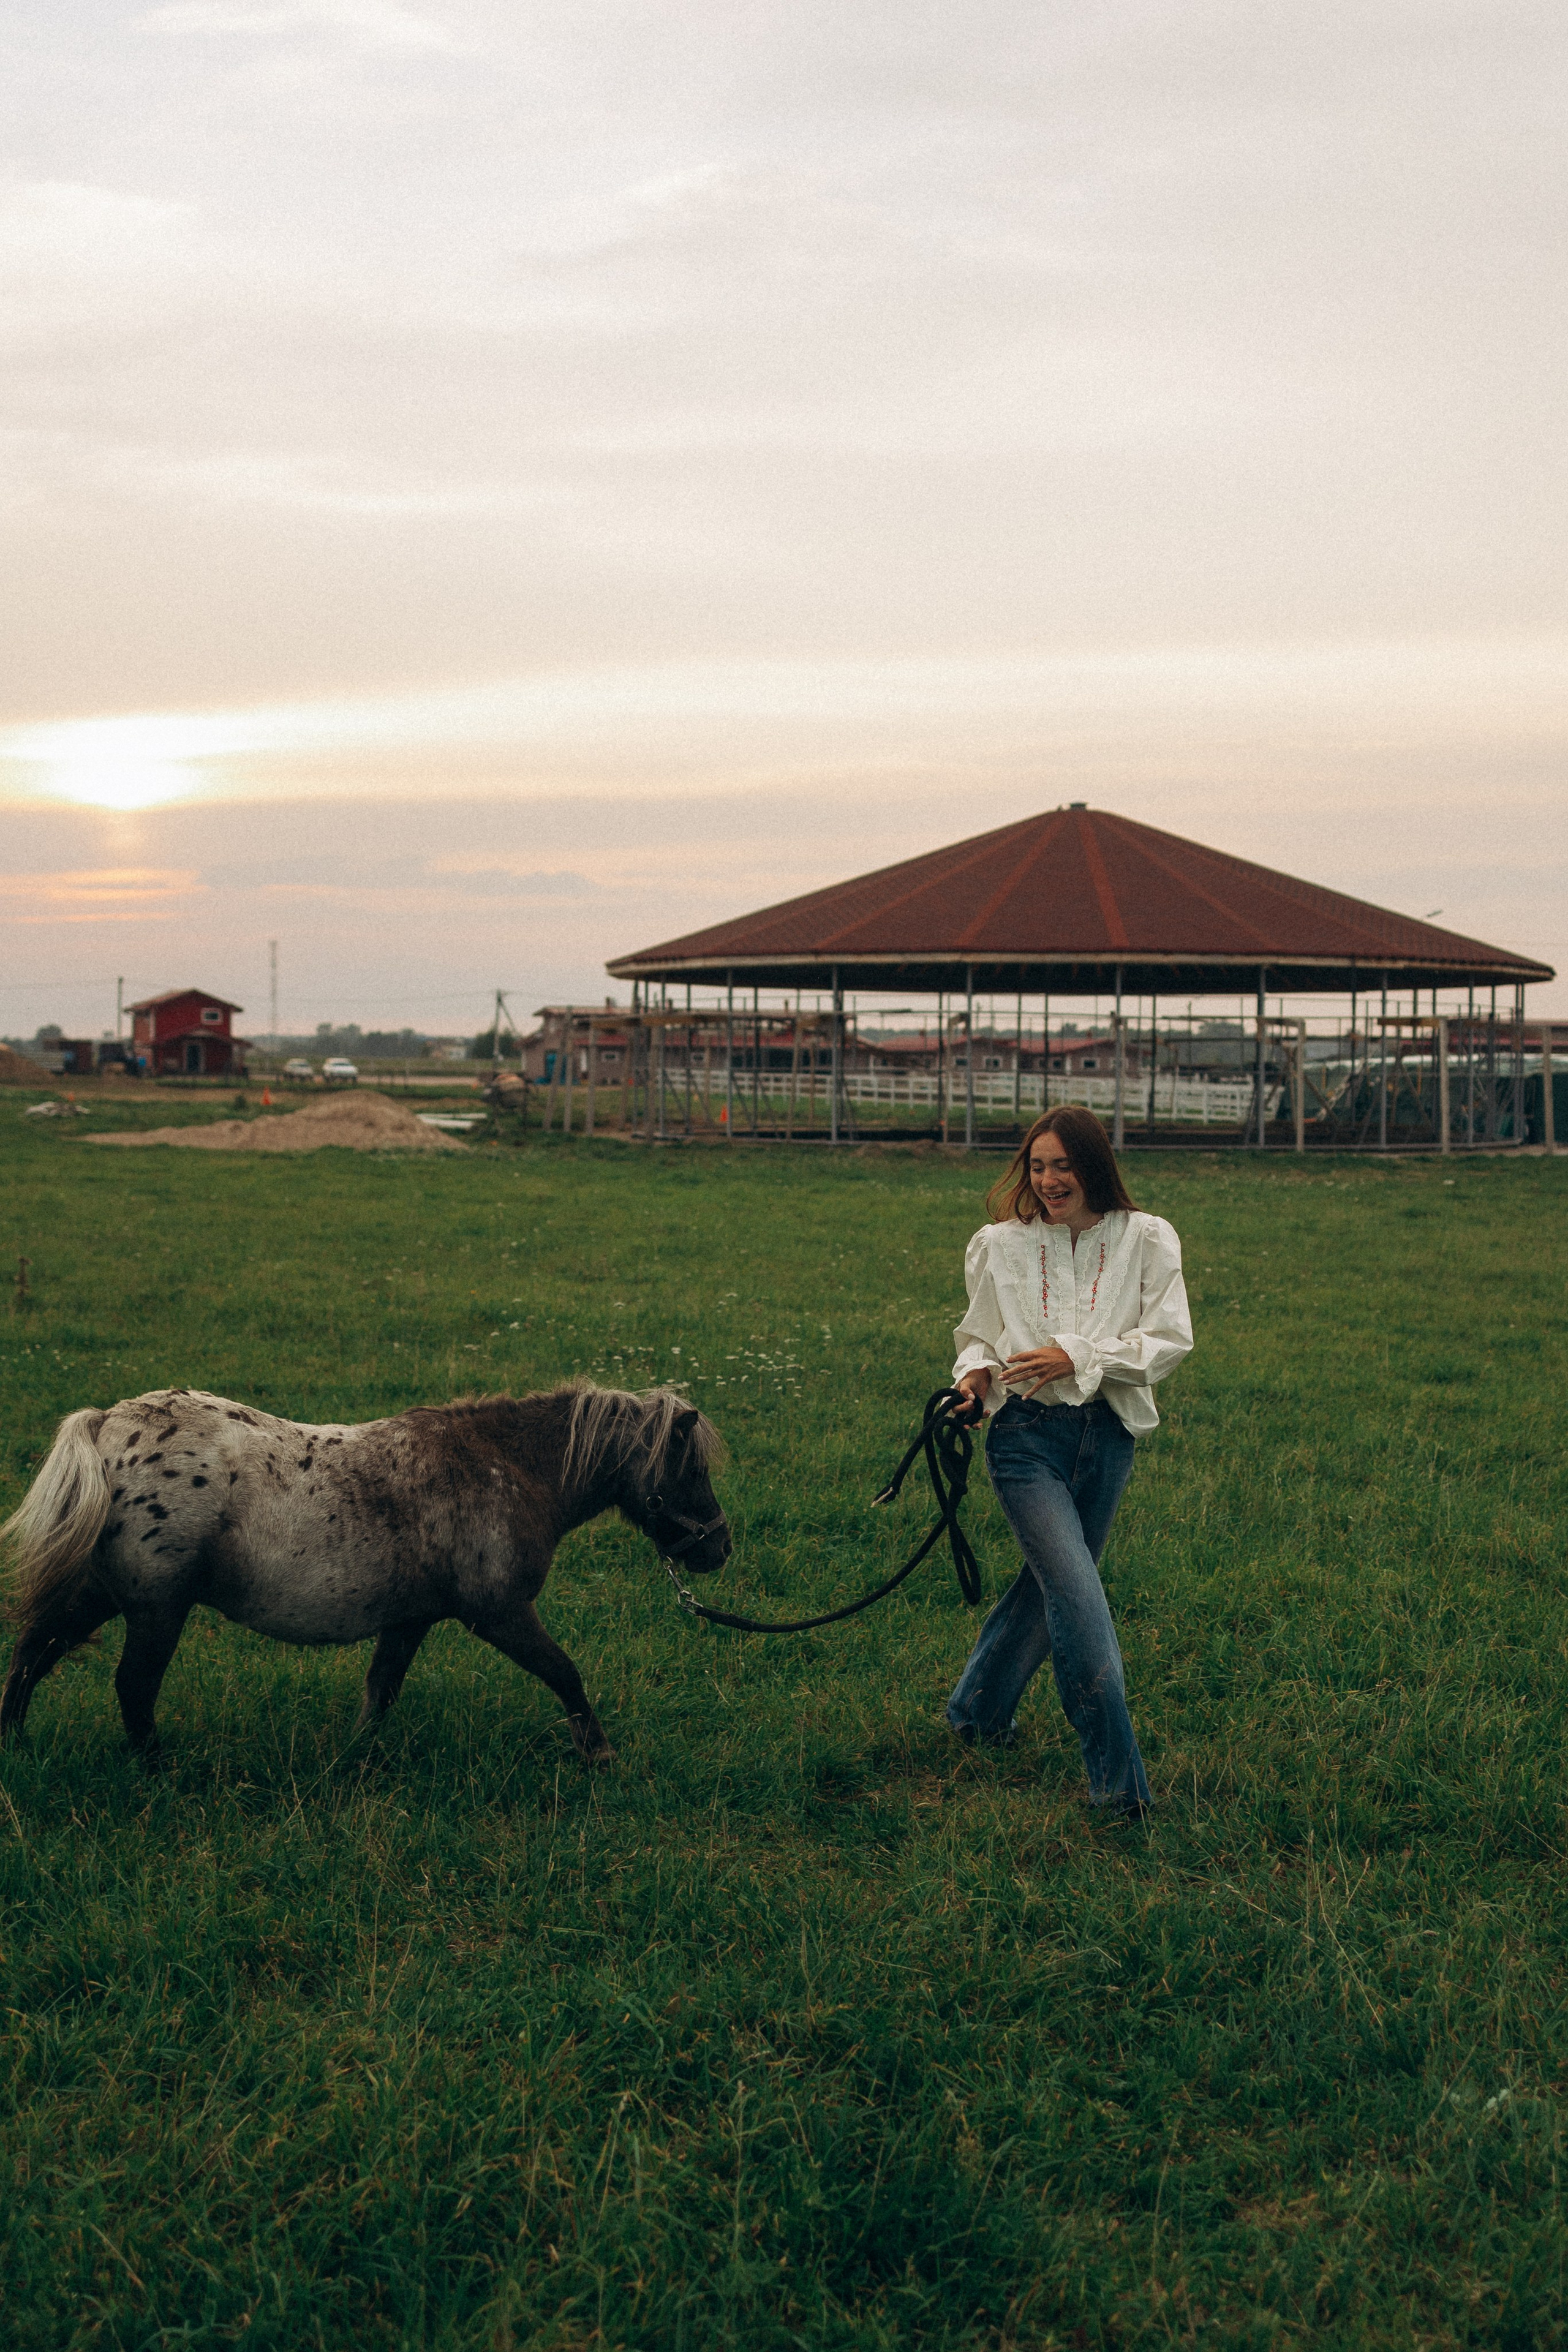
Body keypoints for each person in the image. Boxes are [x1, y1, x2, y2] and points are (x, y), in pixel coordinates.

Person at [945, 1106, 1192, 1814]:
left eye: (1062, 1164)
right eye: (1037, 1165)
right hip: (1023, 1440)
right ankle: (1119, 1790)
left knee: (1050, 1584)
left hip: (1107, 1438)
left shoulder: (1147, 1238)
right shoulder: (999, 1244)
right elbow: (980, 1340)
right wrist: (971, 1382)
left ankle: (977, 1711)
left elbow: (1169, 1341)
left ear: (1093, 1164)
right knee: (1079, 1596)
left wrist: (1078, 1355)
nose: (1048, 1180)